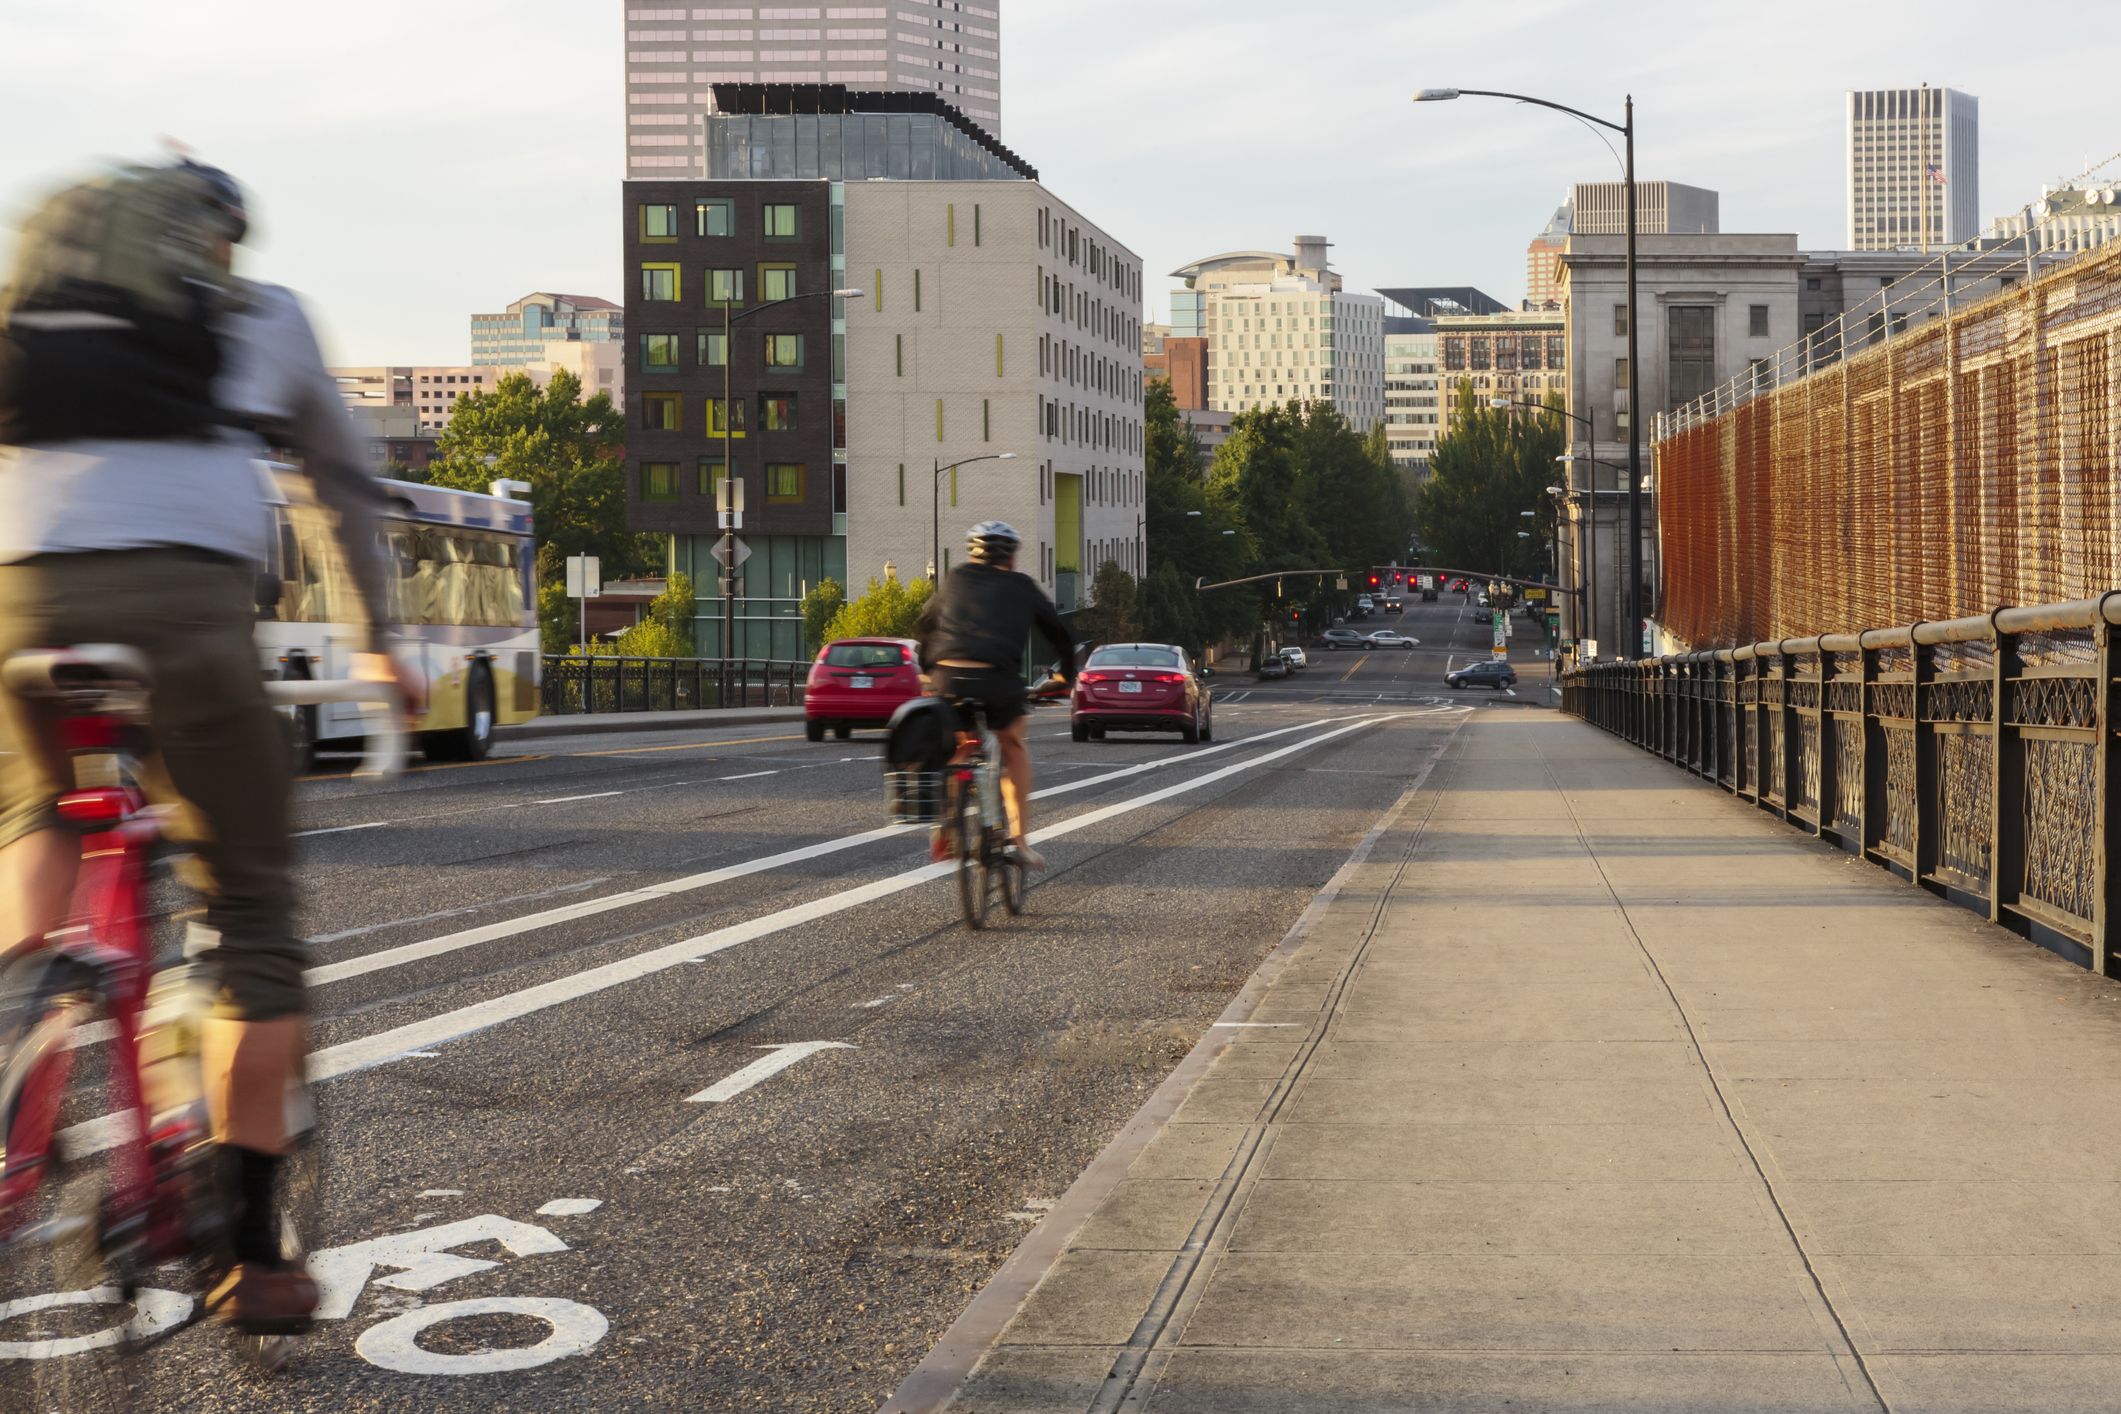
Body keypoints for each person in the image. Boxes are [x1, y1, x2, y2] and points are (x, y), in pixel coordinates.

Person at [0, 157, 421, 1332]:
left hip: (23, 603)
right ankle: (255, 1256)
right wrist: (380, 640)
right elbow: (348, 481)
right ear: (221, 241)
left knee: (34, 820)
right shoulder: (264, 316)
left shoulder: (30, 306)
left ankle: (27, 996)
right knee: (252, 924)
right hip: (187, 620)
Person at [915, 521, 1076, 870]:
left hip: (947, 676)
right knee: (1012, 743)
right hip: (996, 680)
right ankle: (1018, 841)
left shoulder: (954, 578)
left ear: (972, 553)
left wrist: (927, 671)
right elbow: (1060, 632)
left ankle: (947, 822)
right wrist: (1066, 675)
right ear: (1012, 557)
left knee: (960, 744)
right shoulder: (1021, 586)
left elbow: (925, 625)